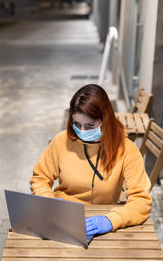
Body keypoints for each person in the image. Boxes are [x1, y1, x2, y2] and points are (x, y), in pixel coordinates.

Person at [30, 84, 152, 239]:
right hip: (60, 217)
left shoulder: (126, 149)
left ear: (105, 119)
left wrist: (110, 220)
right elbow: (40, 178)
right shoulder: (61, 141)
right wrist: (49, 201)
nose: (82, 131)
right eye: (77, 124)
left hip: (101, 219)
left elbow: (141, 200)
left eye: (90, 125)